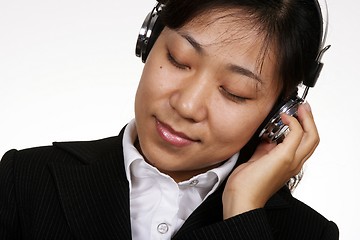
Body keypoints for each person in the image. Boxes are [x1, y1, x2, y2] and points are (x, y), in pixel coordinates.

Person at [0, 0, 339, 239]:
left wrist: (243, 212)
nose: (188, 105)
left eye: (235, 91)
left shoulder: (309, 232)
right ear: (148, 41)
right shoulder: (24, 179)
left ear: (278, 114)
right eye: (179, 60)